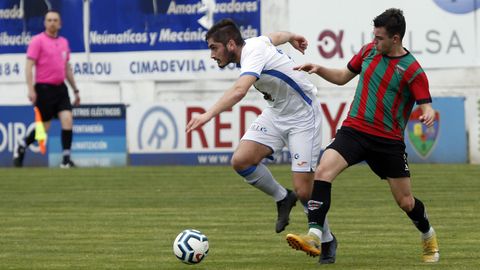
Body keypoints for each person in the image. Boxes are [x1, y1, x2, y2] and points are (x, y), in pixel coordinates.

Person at [285, 8, 440, 263]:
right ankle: (314, 235)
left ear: (396, 39)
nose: (374, 41)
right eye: (374, 36)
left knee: (406, 202)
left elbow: (426, 104)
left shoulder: (412, 70)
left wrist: (428, 113)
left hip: (388, 142)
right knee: (323, 171)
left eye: (379, 38)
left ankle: (428, 234)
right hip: (354, 130)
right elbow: (343, 77)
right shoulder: (368, 51)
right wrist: (319, 68)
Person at [186, 19, 337, 263]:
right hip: (277, 113)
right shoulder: (256, 43)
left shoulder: (252, 54)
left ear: (231, 44)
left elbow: (239, 90)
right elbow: (276, 35)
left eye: (214, 48)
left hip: (303, 118)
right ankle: (281, 197)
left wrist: (207, 115)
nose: (212, 55)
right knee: (242, 160)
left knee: (304, 190)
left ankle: (327, 239)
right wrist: (292, 36)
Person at [13, 10, 80, 168]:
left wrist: (76, 90)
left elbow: (67, 68)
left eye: (55, 20)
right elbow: (29, 67)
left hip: (61, 89)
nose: (52, 23)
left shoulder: (64, 42)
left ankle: (65, 160)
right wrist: (31, 89)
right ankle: (22, 145)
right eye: (49, 20)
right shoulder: (38, 41)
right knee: (43, 129)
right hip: (44, 89)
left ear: (60, 23)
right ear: (44, 23)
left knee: (67, 119)